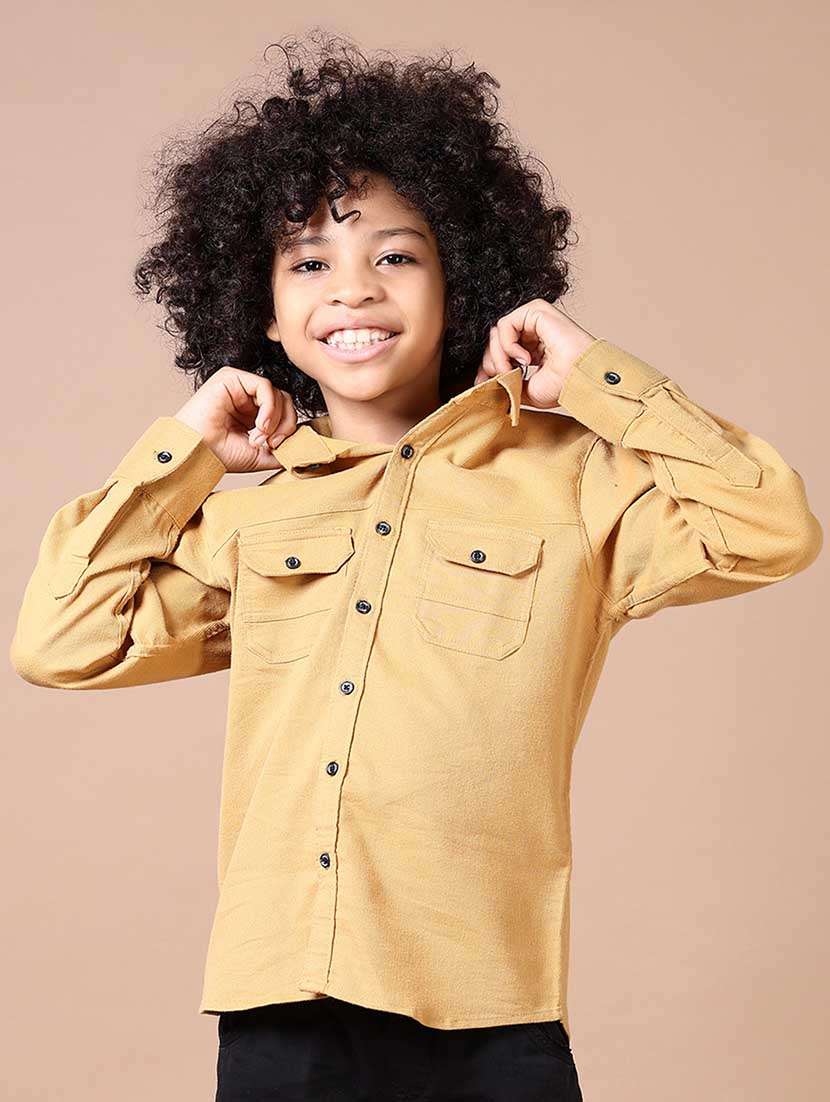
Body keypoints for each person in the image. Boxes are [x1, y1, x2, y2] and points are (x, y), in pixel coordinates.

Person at [9, 29, 823, 1102]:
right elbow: (62, 642)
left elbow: (769, 526)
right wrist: (183, 454)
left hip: (490, 1010)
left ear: (460, 278)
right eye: (308, 263)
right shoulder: (256, 521)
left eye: (394, 256)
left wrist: (594, 377)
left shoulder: (572, 481)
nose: (351, 291)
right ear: (265, 312)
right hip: (284, 1006)